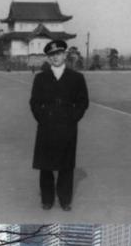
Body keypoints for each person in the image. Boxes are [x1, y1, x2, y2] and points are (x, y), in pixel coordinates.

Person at [29, 40, 89, 211]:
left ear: (64, 55)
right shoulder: (40, 78)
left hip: (67, 126)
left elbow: (83, 102)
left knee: (66, 165)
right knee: (45, 165)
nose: (55, 57)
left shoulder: (77, 78)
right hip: (46, 126)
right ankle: (47, 199)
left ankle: (65, 199)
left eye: (58, 54)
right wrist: (42, 118)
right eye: (52, 55)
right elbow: (34, 102)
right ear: (48, 58)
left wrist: (73, 118)